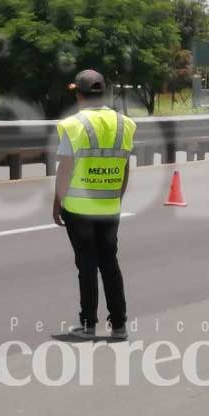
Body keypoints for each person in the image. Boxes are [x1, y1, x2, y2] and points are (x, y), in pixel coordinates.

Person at [54, 70, 136, 340]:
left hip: (78, 209)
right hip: (110, 207)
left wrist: (57, 202)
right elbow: (124, 168)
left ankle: (88, 324)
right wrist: (115, 199)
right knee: (110, 264)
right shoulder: (124, 124)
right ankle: (120, 325)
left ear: (79, 95)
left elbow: (65, 169)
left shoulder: (74, 124)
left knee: (86, 265)